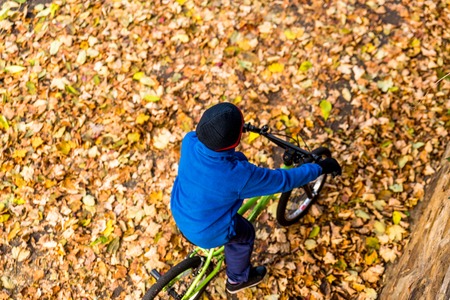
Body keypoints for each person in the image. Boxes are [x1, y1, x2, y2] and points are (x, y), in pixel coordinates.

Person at [170, 102, 341, 294]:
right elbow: (283, 180)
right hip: (206, 232)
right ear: (236, 140)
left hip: (180, 209)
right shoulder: (238, 175)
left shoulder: (189, 141)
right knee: (246, 234)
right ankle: (237, 280)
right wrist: (320, 168)